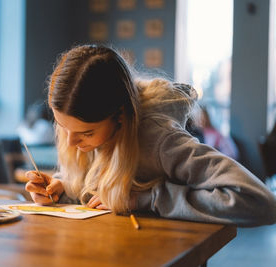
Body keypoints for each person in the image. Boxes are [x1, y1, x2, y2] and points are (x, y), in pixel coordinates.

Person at [25, 44, 276, 227]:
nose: (70, 142)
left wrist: (147, 199)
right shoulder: (87, 134)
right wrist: (63, 187)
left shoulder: (160, 140)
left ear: (120, 117)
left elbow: (259, 202)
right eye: (62, 127)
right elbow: (101, 193)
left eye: (86, 133)